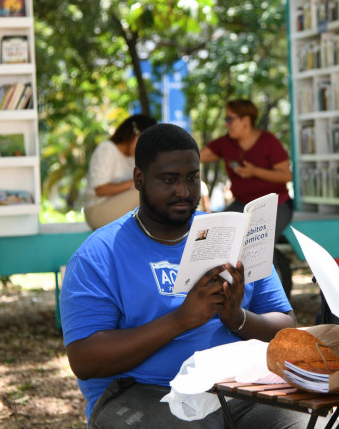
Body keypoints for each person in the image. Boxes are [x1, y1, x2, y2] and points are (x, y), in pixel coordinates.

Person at [60, 123, 319, 428]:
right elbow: (85, 359)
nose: (183, 191)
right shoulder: (99, 254)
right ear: (139, 178)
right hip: (147, 393)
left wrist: (236, 317)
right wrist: (181, 319)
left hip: (239, 387)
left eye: (192, 178)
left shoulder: (230, 235)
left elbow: (286, 326)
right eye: (168, 180)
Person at [199, 99, 293, 243]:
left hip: (275, 205)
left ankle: (274, 265)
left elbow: (286, 175)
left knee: (257, 245)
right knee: (214, 236)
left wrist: (255, 171)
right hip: (242, 204)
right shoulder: (226, 142)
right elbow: (197, 156)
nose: (226, 123)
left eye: (229, 119)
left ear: (246, 121)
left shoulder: (269, 141)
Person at [83, 114, 157, 230]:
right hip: (96, 210)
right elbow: (100, 189)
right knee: (143, 193)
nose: (145, 147)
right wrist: (133, 183)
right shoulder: (107, 149)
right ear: (134, 134)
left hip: (117, 207)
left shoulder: (134, 157)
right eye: (144, 140)